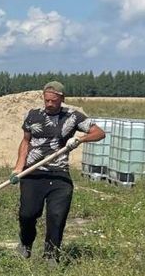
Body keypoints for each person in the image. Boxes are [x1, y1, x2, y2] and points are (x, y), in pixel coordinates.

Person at [12, 81, 105, 261]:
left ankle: (50, 255)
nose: (49, 104)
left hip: (59, 174)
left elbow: (100, 133)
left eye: (54, 101)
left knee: (57, 215)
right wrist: (18, 167)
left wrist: (80, 139)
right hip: (33, 172)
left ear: (62, 99)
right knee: (27, 213)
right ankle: (26, 242)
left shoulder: (73, 117)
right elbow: (25, 142)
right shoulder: (32, 115)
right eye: (47, 100)